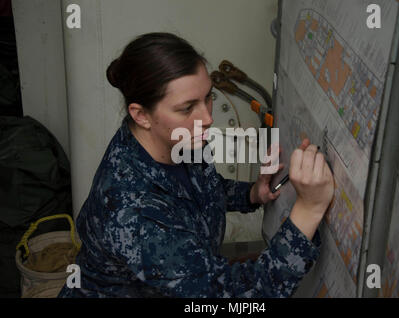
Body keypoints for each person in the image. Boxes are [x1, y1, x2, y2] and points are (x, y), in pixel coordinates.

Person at [58, 32, 334, 298]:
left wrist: (252, 194)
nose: (207, 118)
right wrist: (309, 208)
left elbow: (201, 189)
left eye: (208, 98)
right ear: (141, 115)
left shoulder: (177, 138)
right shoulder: (134, 210)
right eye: (187, 108)